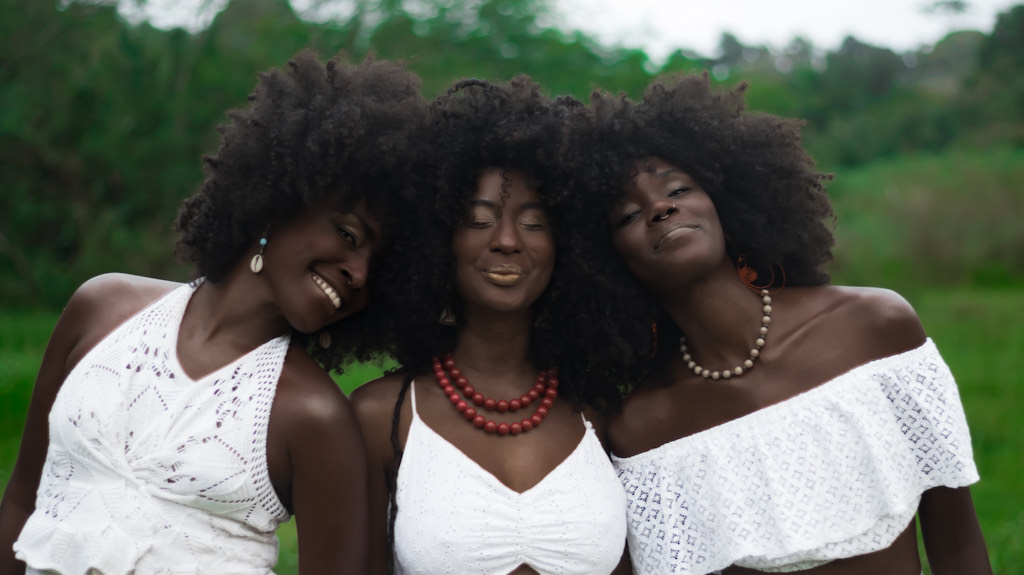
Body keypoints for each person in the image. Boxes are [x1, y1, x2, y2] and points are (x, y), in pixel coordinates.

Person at [0, 51, 426, 574]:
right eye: (348, 234)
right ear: (280, 198)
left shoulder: (315, 418)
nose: (359, 273)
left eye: (377, 267)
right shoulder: (101, 308)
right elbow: (22, 502)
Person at [578, 74, 992, 574]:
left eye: (679, 188)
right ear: (601, 261)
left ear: (726, 201)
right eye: (627, 215)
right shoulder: (641, 428)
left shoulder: (875, 328)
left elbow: (960, 549)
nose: (660, 208)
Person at [350, 76, 631, 575]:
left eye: (534, 222)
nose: (505, 240)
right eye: (478, 220)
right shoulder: (382, 416)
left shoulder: (602, 409)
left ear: (569, 246)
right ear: (437, 243)